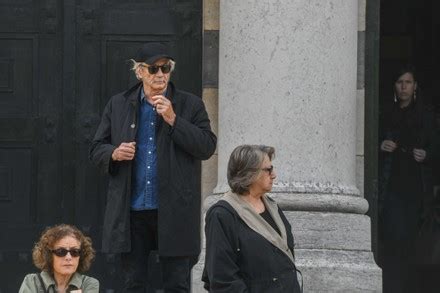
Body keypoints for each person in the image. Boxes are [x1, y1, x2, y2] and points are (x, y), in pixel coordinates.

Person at [89, 42, 217, 292]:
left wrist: (173, 120)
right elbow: (96, 148)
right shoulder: (119, 104)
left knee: (177, 284)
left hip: (174, 209)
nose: (160, 74)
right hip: (132, 211)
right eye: (153, 69)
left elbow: (207, 146)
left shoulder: (190, 104)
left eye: (166, 68)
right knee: (133, 283)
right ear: (139, 72)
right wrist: (114, 153)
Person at [202, 145, 301, 292]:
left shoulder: (272, 207)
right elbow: (223, 279)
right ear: (249, 174)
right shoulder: (222, 215)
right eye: (268, 170)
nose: (273, 175)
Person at [379, 66, 439, 292]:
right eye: (399, 82)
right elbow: (368, 142)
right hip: (390, 185)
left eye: (408, 82)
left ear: (415, 87)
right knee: (394, 237)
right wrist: (380, 146)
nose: (403, 87)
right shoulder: (385, 112)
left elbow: (436, 149)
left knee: (412, 242)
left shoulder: (426, 115)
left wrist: (427, 155)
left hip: (416, 187)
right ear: (394, 86)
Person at [19, 224, 99, 293]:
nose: (68, 257)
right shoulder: (32, 281)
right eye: (61, 252)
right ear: (49, 255)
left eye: (75, 252)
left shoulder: (89, 283)